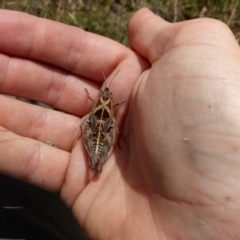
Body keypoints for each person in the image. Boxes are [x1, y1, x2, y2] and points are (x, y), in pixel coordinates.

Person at [0, 7, 239, 240]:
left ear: (107, 101)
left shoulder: (102, 106)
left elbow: (104, 121)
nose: (104, 99)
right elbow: (99, 118)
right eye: (103, 97)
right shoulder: (104, 106)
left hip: (99, 131)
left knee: (98, 133)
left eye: (105, 97)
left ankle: (97, 161)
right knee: (94, 132)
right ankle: (96, 160)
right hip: (96, 131)